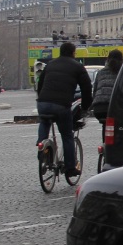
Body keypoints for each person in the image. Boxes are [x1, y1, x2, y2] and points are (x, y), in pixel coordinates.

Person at [36, 41, 93, 174]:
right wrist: (85, 107)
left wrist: (41, 98)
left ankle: (42, 150)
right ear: (73, 53)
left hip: (43, 103)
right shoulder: (77, 67)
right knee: (67, 135)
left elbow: (40, 85)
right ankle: (70, 167)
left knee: (44, 122)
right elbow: (86, 88)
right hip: (61, 105)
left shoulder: (50, 65)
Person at [90, 49, 123, 124]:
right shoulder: (122, 72)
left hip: (98, 108)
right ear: (122, 59)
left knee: (105, 124)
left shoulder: (101, 72)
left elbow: (95, 91)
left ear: (108, 59)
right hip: (114, 107)